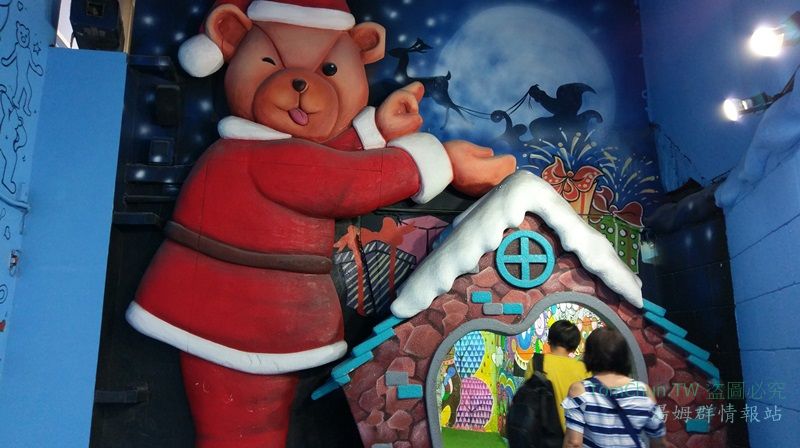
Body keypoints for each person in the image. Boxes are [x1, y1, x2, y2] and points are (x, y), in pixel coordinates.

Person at [562, 327, 666, 448]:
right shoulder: (643, 391)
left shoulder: (580, 390)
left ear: (590, 355)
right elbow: (660, 442)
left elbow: (573, 443)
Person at [524, 320, 590, 432]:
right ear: (575, 345)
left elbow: (527, 396)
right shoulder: (583, 369)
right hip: (574, 432)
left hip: (544, 433)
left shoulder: (537, 362)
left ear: (550, 340)